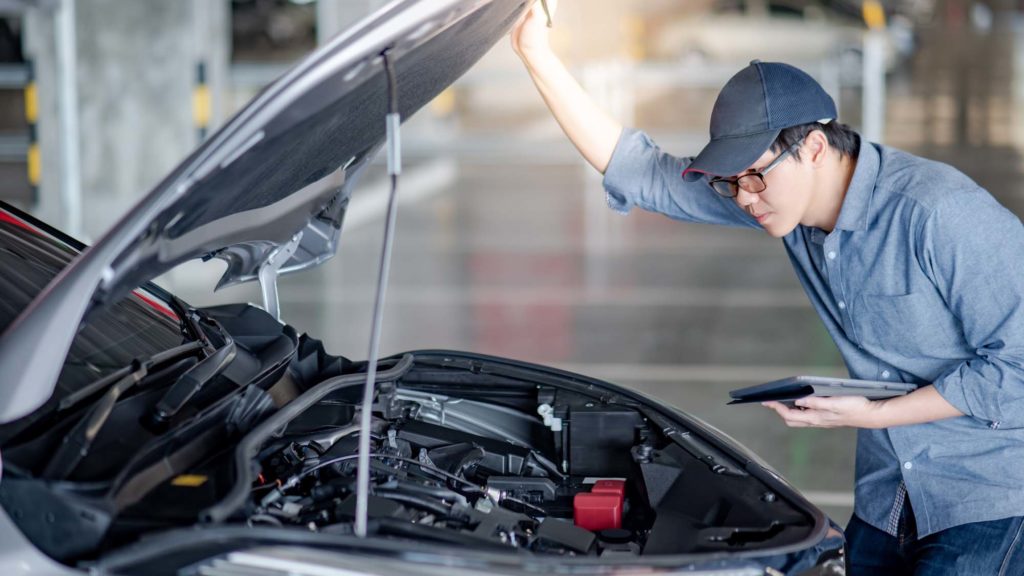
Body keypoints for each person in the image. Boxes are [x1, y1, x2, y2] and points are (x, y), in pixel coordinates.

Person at [510, 1, 1024, 574]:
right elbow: (642, 172)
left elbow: (1020, 367)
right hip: (889, 499)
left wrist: (875, 415)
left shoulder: (939, 213)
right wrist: (536, 55)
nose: (745, 198)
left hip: (991, 497)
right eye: (730, 184)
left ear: (814, 148)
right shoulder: (784, 206)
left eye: (752, 177)